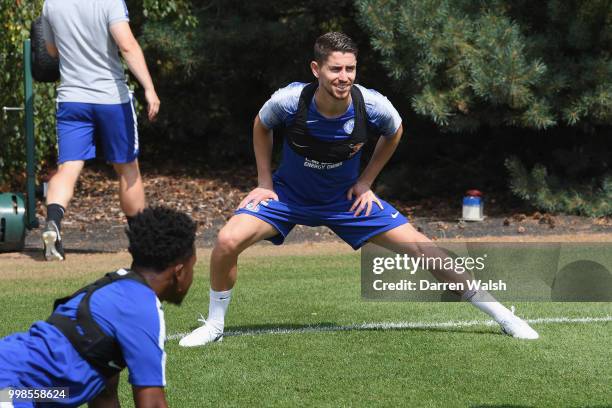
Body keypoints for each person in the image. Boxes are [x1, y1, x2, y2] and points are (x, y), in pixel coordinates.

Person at [179, 32, 539, 348]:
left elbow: (395, 131)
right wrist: (264, 182)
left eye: (350, 69)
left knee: (424, 248)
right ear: (316, 69)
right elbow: (261, 125)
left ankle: (504, 316)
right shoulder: (290, 101)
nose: (344, 77)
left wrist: (366, 182)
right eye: (336, 69)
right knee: (226, 241)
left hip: (346, 202)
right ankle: (214, 324)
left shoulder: (372, 105)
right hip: (287, 198)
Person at [0, 207, 196, 407]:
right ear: (179, 271)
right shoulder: (142, 309)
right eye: (193, 267)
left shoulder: (114, 289)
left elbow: (104, 396)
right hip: (11, 388)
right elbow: (152, 404)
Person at [40, 0, 160, 261]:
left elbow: (51, 50)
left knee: (68, 167)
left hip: (71, 98)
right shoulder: (110, 1)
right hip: (111, 99)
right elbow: (126, 45)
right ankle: (142, 242)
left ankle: (53, 224)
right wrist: (149, 87)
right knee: (127, 168)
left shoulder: (51, 3)